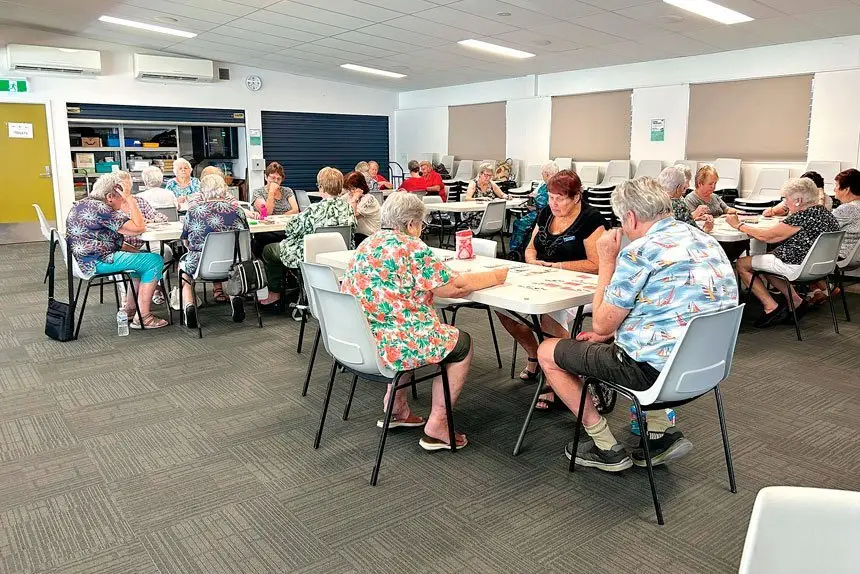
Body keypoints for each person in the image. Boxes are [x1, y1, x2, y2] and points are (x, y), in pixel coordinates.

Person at [536, 177, 738, 471]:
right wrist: (612, 334)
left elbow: (603, 323)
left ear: (629, 217)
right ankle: (657, 435)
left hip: (653, 374)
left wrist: (608, 261)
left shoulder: (640, 251)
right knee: (637, 341)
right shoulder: (706, 240)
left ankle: (605, 446)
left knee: (547, 351)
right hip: (707, 368)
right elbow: (662, 309)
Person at [340, 192, 508, 450]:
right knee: (461, 344)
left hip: (365, 340)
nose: (421, 229)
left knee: (404, 329)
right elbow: (456, 287)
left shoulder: (366, 245)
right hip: (395, 344)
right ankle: (438, 423)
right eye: (421, 224)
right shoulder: (412, 247)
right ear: (410, 224)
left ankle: (395, 408)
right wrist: (497, 276)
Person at [496, 170, 607, 408]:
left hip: (583, 286)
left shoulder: (591, 219)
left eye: (560, 198)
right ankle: (536, 355)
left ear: (576, 197)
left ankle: (555, 376)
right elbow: (530, 248)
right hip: (544, 277)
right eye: (550, 197)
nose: (553, 203)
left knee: (548, 315)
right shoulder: (547, 213)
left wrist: (557, 265)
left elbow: (597, 264)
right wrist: (534, 261)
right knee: (502, 307)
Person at [729, 178, 839, 327]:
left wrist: (739, 225)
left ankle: (771, 307)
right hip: (820, 267)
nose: (785, 203)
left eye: (786, 199)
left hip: (796, 266)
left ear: (798, 200)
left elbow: (767, 236)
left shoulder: (802, 216)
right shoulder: (827, 215)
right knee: (768, 259)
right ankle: (796, 300)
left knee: (743, 264)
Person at [66, 173, 167, 329]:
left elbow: (110, 241)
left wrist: (136, 252)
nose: (124, 201)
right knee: (155, 261)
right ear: (110, 197)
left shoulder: (83, 204)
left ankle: (130, 310)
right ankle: (144, 318)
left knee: (141, 259)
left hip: (85, 259)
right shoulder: (102, 209)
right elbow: (138, 228)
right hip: (97, 261)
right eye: (122, 197)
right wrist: (131, 200)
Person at [259, 167, 355, 307]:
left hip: (309, 255)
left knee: (269, 250)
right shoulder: (348, 209)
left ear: (321, 188)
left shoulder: (314, 209)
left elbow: (292, 230)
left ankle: (275, 294)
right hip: (337, 255)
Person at [178, 174, 249, 327]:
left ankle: (189, 305)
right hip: (234, 263)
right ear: (224, 190)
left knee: (185, 273)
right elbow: (246, 236)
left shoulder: (193, 212)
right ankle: (235, 298)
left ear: (202, 192)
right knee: (232, 266)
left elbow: (186, 241)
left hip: (202, 265)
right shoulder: (238, 211)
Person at [510, 162, 557, 253]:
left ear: (546, 174)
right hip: (549, 214)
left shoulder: (547, 186)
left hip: (542, 216)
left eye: (542, 173)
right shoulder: (556, 184)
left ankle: (516, 250)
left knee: (518, 223)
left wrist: (532, 205)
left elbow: (542, 205)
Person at [657, 166, 713, 232]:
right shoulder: (679, 205)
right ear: (678, 189)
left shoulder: (654, 201)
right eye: (683, 187)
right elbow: (695, 234)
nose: (684, 189)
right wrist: (706, 229)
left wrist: (693, 218)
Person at [763, 171, 833, 217]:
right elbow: (781, 208)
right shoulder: (795, 196)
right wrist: (772, 211)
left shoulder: (825, 201)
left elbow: (817, 215)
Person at [343, 171, 381, 244]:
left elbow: (352, 216)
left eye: (353, 189)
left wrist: (354, 199)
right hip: (356, 237)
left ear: (361, 187)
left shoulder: (369, 199)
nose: (350, 192)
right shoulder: (348, 196)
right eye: (348, 188)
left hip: (369, 238)